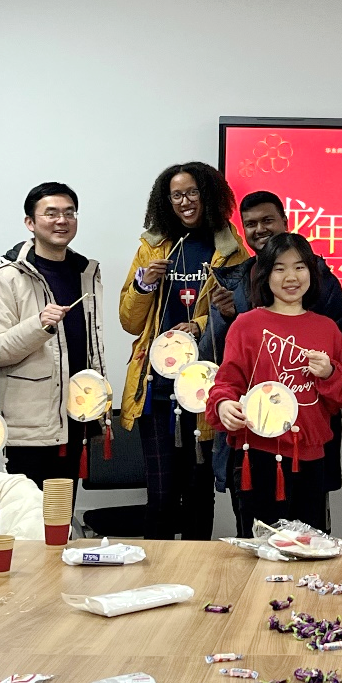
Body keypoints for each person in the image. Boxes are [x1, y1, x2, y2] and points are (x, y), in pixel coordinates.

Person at [197, 190, 342, 521]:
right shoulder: (245, 324)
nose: (291, 278)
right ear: (266, 275)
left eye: (299, 268)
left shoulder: (327, 328)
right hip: (256, 452)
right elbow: (225, 382)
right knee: (258, 545)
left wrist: (329, 374)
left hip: (310, 456)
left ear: (312, 272)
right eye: (279, 269)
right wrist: (223, 405)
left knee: (311, 542)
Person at [119, 162, 248, 540]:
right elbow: (129, 322)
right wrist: (144, 285)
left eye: (192, 192)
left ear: (208, 195)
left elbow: (243, 318)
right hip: (156, 388)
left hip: (206, 387)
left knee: (198, 495)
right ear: (166, 200)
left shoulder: (230, 249)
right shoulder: (152, 246)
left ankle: (195, 575)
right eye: (176, 195)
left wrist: (202, 325)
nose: (185, 201)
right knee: (160, 498)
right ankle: (157, 573)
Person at [0, 182, 105, 491]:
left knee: (61, 512)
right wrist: (38, 325)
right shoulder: (6, 276)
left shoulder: (86, 272)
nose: (62, 220)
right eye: (51, 213)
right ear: (30, 222)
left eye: (69, 213)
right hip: (29, 427)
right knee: (28, 515)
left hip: (77, 415)